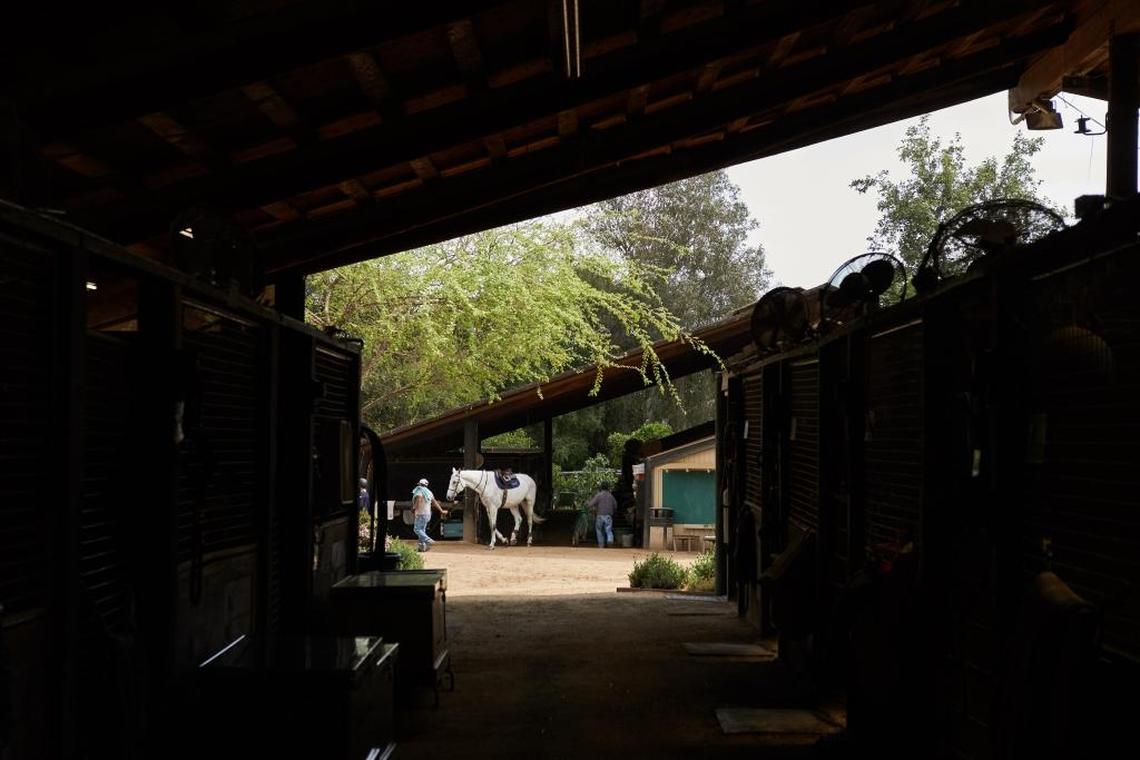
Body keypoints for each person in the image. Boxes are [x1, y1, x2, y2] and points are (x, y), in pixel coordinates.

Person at [411, 477, 448, 552]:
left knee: (417, 529)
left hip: (421, 513)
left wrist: (415, 509)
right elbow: (435, 502)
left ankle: (428, 540)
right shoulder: (429, 492)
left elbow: (419, 500)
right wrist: (441, 511)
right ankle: (422, 548)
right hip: (428, 514)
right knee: (422, 530)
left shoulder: (419, 490)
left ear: (420, 484)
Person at [587, 482, 617, 549]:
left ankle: (601, 546)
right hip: (608, 516)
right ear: (608, 488)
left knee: (599, 530)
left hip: (600, 516)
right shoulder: (611, 496)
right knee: (608, 530)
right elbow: (615, 505)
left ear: (601, 488)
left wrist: (587, 504)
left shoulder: (598, 495)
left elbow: (590, 504)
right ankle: (610, 540)